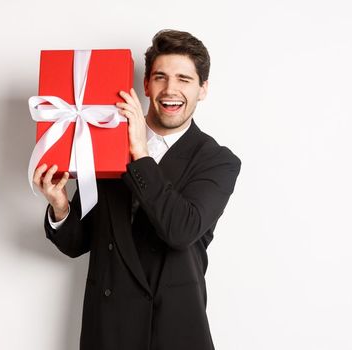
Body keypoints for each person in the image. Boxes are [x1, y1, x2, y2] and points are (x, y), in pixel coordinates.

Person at [31, 29, 241, 350]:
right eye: (160, 77)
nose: (171, 90)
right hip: (108, 329)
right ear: (146, 85)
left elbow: (180, 230)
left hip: (173, 329)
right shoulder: (104, 143)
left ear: (203, 89)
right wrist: (60, 206)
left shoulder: (217, 161)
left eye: (184, 79)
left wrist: (139, 152)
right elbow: (80, 242)